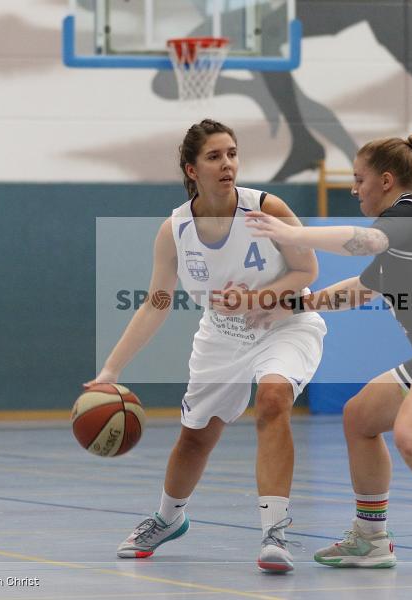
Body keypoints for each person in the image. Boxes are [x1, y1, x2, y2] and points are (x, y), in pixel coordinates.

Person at [245, 133, 412, 583]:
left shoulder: (411, 216)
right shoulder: (397, 237)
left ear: (387, 180)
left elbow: (360, 242)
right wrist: (295, 304)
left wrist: (291, 233)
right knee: (360, 416)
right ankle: (371, 539)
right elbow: (361, 288)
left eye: (359, 180)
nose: (354, 189)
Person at [86, 119, 326, 573]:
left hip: (285, 324)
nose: (228, 163)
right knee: (196, 438)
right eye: (215, 156)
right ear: (191, 169)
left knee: (274, 398)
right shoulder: (175, 229)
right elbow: (156, 304)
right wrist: (110, 371)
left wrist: (257, 299)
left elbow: (307, 269)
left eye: (232, 153)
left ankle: (274, 532)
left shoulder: (266, 207)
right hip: (222, 336)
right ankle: (168, 518)